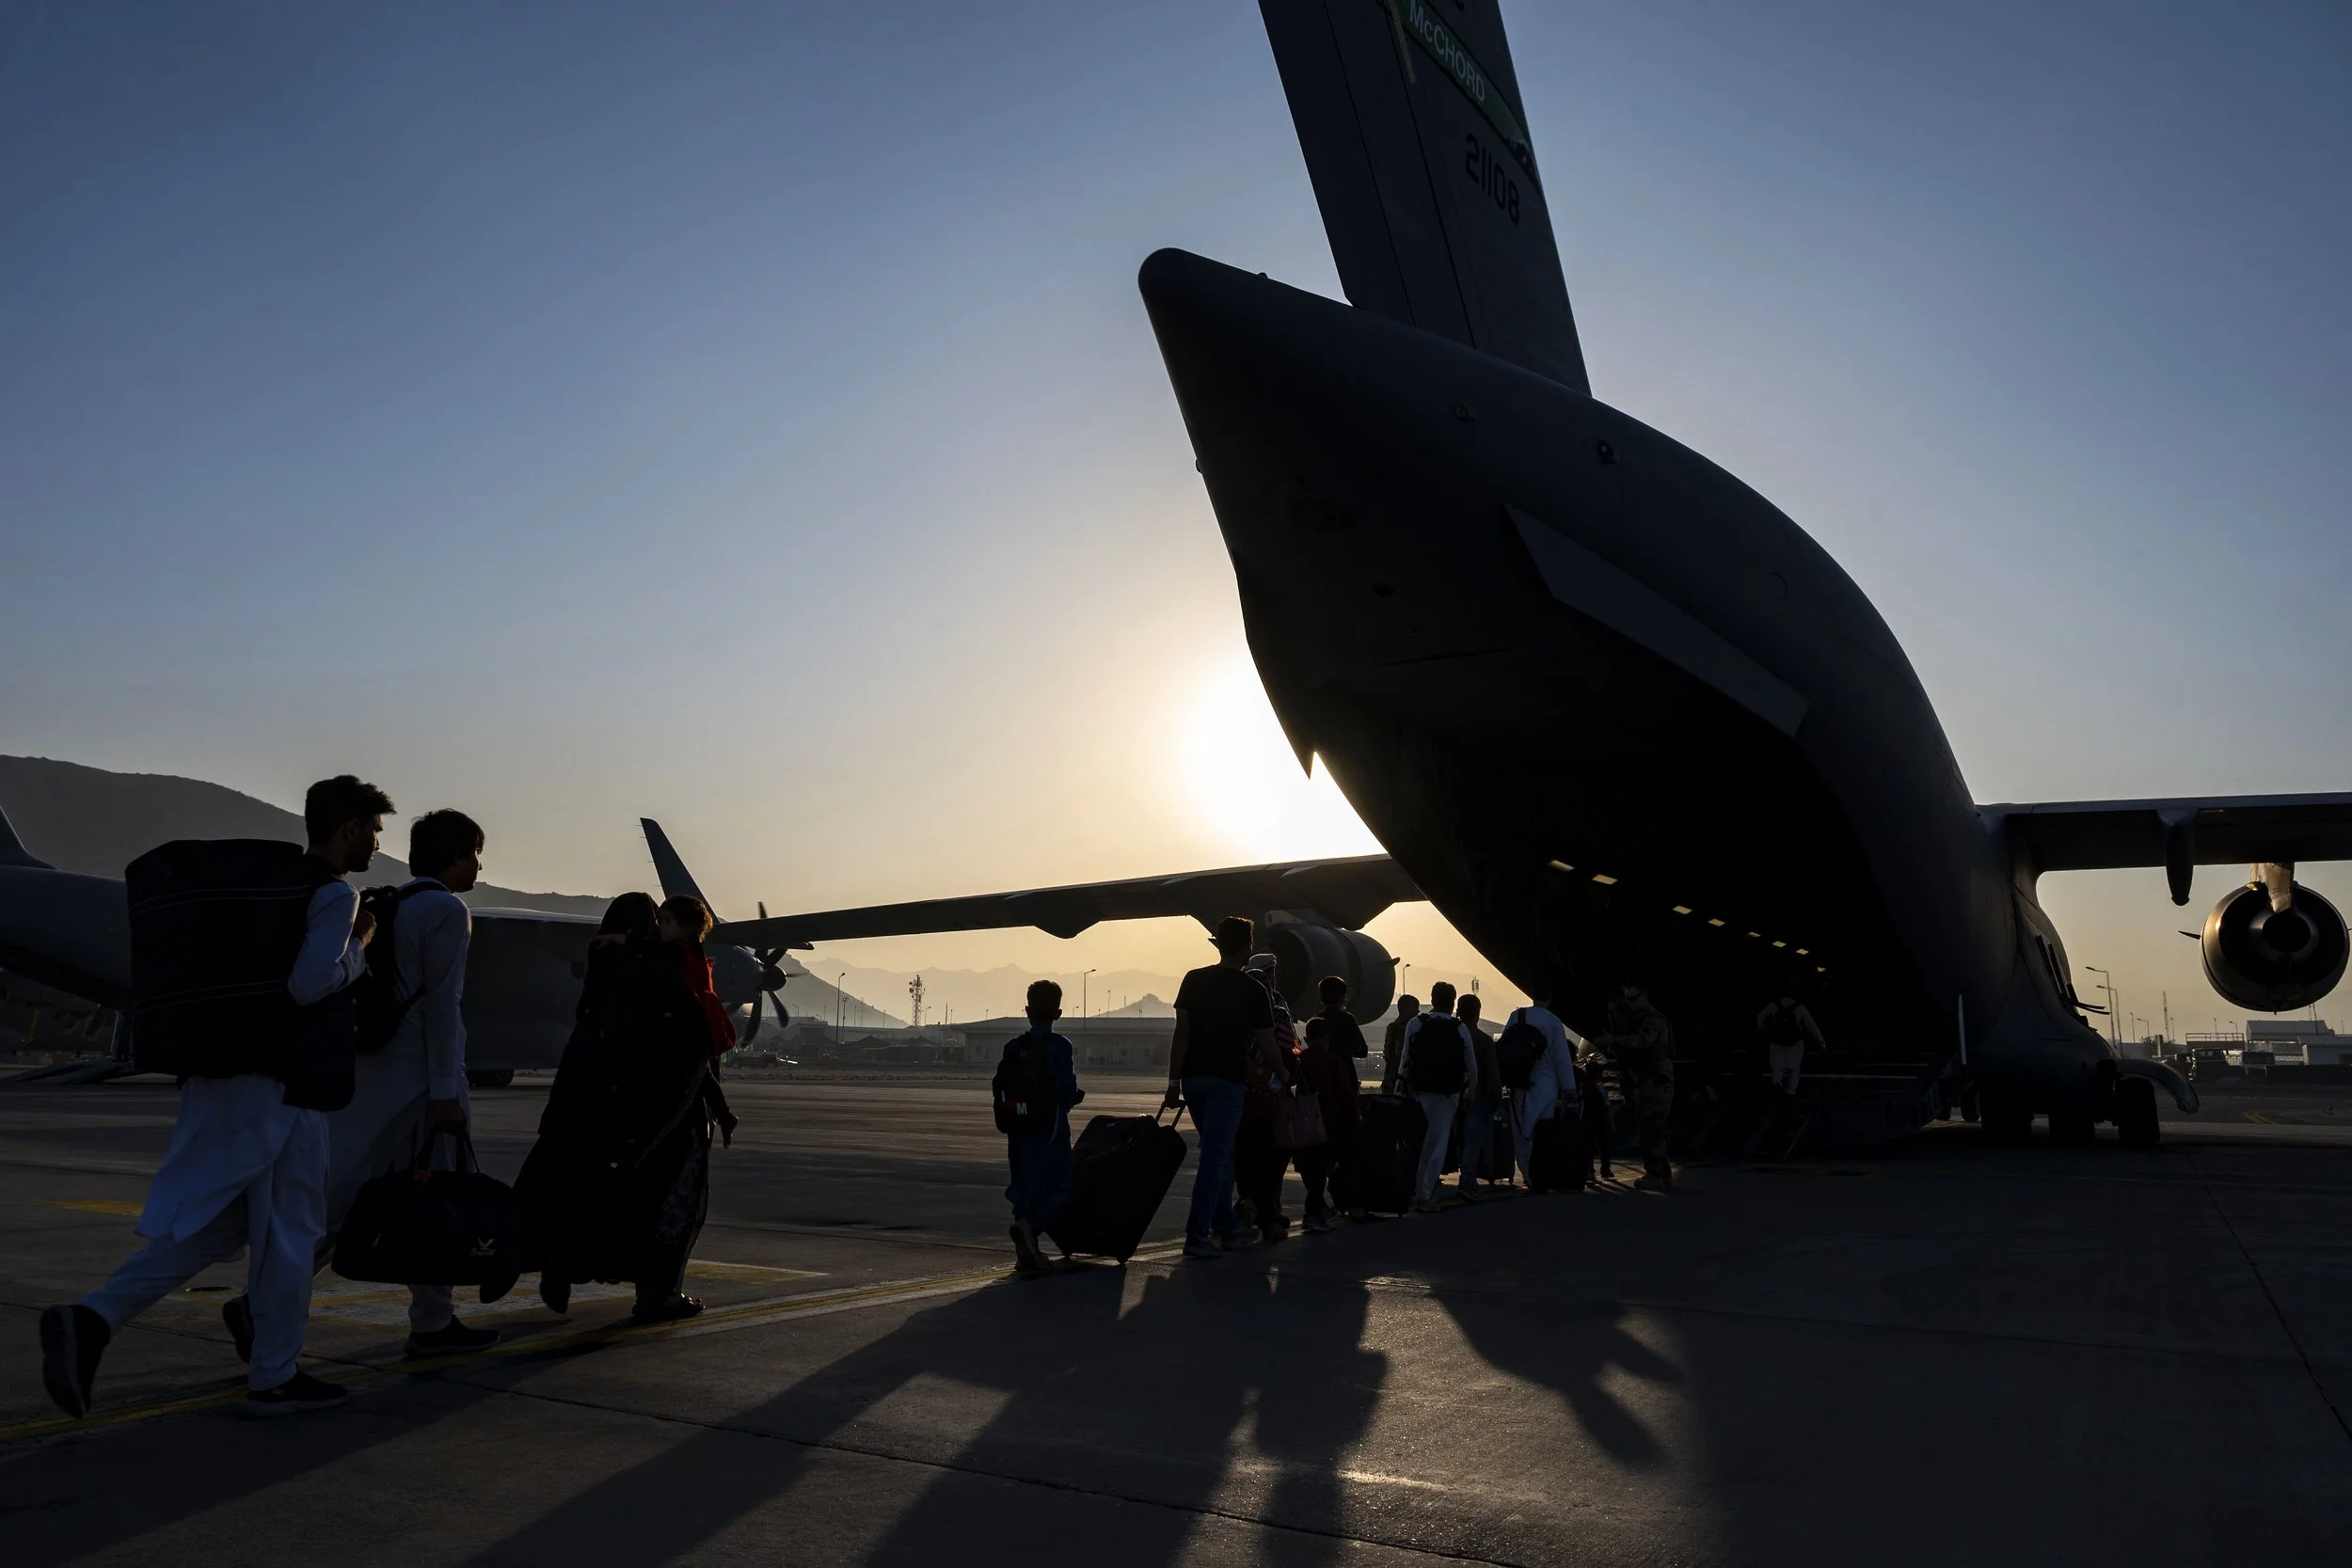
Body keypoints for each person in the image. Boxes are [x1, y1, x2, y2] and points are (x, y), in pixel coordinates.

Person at [41, 775, 388, 1419]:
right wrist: (360, 948)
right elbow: (311, 984)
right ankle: (275, 1376)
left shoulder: (260, 892)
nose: (375, 843)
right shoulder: (332, 893)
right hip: (285, 1088)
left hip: (225, 1079)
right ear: (347, 829)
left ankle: (92, 1318)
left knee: (221, 1226)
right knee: (291, 1234)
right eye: (372, 830)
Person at [313, 807, 498, 1358]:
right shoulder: (446, 910)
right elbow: (445, 1006)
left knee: (343, 1197)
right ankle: (431, 1322)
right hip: (419, 1079)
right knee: (437, 1194)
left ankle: (267, 1297)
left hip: (370, 1069)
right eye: (473, 855)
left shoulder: (387, 903)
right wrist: (447, 1092)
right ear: (454, 855)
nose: (479, 867)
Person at [1165, 915, 1279, 1259]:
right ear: (1247, 948)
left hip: (1194, 1080)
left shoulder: (1194, 980)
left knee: (1217, 1156)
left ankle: (1228, 1229)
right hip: (1228, 1081)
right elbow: (1267, 1042)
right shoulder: (1254, 989)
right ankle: (1197, 1234)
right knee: (1215, 1158)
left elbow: (1181, 1034)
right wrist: (1284, 1074)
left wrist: (1173, 1082)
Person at [1002, 979, 1083, 1275]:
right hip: (1050, 1127)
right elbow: (1068, 1090)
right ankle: (1029, 1226)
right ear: (1058, 1014)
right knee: (1061, 1182)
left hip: (1017, 1126)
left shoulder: (1012, 1048)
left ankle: (1027, 1248)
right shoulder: (1060, 1046)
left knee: (1023, 1181)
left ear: (1027, 1010)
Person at [1586, 979, 1677, 1190]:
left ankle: (1656, 1174)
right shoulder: (1642, 1019)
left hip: (1656, 1080)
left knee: (1651, 1126)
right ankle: (1661, 1173)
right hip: (1650, 1080)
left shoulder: (1652, 1020)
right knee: (1652, 1127)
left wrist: (1613, 1041)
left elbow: (1641, 1041)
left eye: (1633, 999)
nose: (1630, 1004)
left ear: (1644, 996)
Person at [1232, 952, 1297, 1242]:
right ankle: (1268, 1216)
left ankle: (1248, 1206)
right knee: (1273, 1156)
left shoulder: (1234, 1008)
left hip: (1240, 1092)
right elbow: (1288, 1047)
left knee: (1244, 1156)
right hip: (1270, 1093)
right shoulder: (1277, 1008)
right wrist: (1284, 1077)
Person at [1392, 980, 1470, 1212]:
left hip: (1417, 1090)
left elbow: (1405, 1058)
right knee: (1436, 1144)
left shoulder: (1416, 1024)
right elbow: (1471, 1065)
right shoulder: (1459, 1028)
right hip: (1447, 1095)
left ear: (1432, 999)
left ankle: (1408, 1190)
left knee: (1413, 1141)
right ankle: (1424, 1194)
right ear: (1452, 1002)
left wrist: (1399, 1086)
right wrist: (1471, 1090)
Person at [1292, 1014, 1356, 1231]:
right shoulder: (1333, 1062)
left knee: (1309, 1168)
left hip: (1302, 1120)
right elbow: (1346, 1094)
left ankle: (1319, 1209)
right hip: (1328, 1121)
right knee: (1322, 1168)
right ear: (1328, 1037)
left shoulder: (1300, 1061)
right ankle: (1314, 1212)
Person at [1504, 981, 1581, 1156]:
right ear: (1550, 998)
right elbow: (1561, 1058)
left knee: (1520, 1128)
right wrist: (1570, 1090)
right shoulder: (1553, 1022)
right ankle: (1537, 1170)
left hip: (1518, 1080)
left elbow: (1504, 1048)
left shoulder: (1516, 1016)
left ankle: (1525, 1169)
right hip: (1545, 1083)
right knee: (1541, 1128)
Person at [1454, 992, 1502, 1198]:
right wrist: (1498, 1102)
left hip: (1452, 1098)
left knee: (1458, 1140)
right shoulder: (1483, 1040)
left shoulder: (1451, 1037)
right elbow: (1492, 1075)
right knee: (1473, 1141)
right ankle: (1467, 1179)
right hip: (1478, 1099)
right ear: (1478, 1014)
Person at [1756, 992, 1827, 1095]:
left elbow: (1760, 1016)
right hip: (1795, 1044)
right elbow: (1812, 1026)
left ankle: (1777, 1083)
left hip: (1777, 1042)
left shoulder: (1774, 1005)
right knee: (1794, 1070)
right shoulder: (1800, 1007)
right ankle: (1791, 1091)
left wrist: (1760, 1027)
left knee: (1777, 1068)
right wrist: (1821, 1042)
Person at [1379, 994, 1420, 1093]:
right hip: (1402, 1080)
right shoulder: (1406, 1029)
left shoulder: (1392, 1028)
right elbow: (1399, 1055)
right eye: (1415, 1008)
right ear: (1407, 1009)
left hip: (1392, 1078)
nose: (1418, 1011)